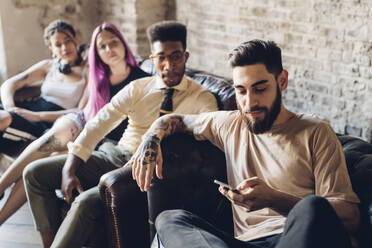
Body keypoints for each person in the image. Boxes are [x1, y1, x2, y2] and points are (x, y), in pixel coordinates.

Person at [130, 40, 360, 248]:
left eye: (260, 89)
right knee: (171, 219)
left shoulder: (316, 131)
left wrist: (273, 198)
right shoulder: (230, 124)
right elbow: (177, 120)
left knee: (312, 207)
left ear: (282, 81)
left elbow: (350, 217)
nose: (250, 103)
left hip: (297, 238)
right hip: (248, 243)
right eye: (241, 91)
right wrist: (151, 138)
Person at [23, 20, 218, 248]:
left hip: (144, 173)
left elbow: (210, 135)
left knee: (85, 201)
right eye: (160, 58)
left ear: (185, 56)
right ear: (153, 59)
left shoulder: (202, 98)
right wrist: (70, 166)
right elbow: (100, 122)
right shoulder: (138, 88)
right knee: (33, 174)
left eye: (175, 57)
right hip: (113, 154)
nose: (168, 65)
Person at [0, 22, 148, 226]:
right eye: (102, 47)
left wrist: (40, 117)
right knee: (48, 141)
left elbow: (84, 110)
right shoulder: (96, 76)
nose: (109, 49)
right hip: (77, 124)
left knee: (39, 167)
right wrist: (13, 108)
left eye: (113, 43)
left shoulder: (116, 76)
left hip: (85, 130)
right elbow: (86, 111)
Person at [0, 20, 88, 147]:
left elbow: (81, 111)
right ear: (51, 49)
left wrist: (37, 116)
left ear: (76, 39)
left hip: (48, 122)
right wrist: (10, 107)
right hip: (26, 109)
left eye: (68, 40)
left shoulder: (88, 71)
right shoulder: (48, 65)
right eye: (58, 44)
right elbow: (9, 84)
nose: (64, 48)